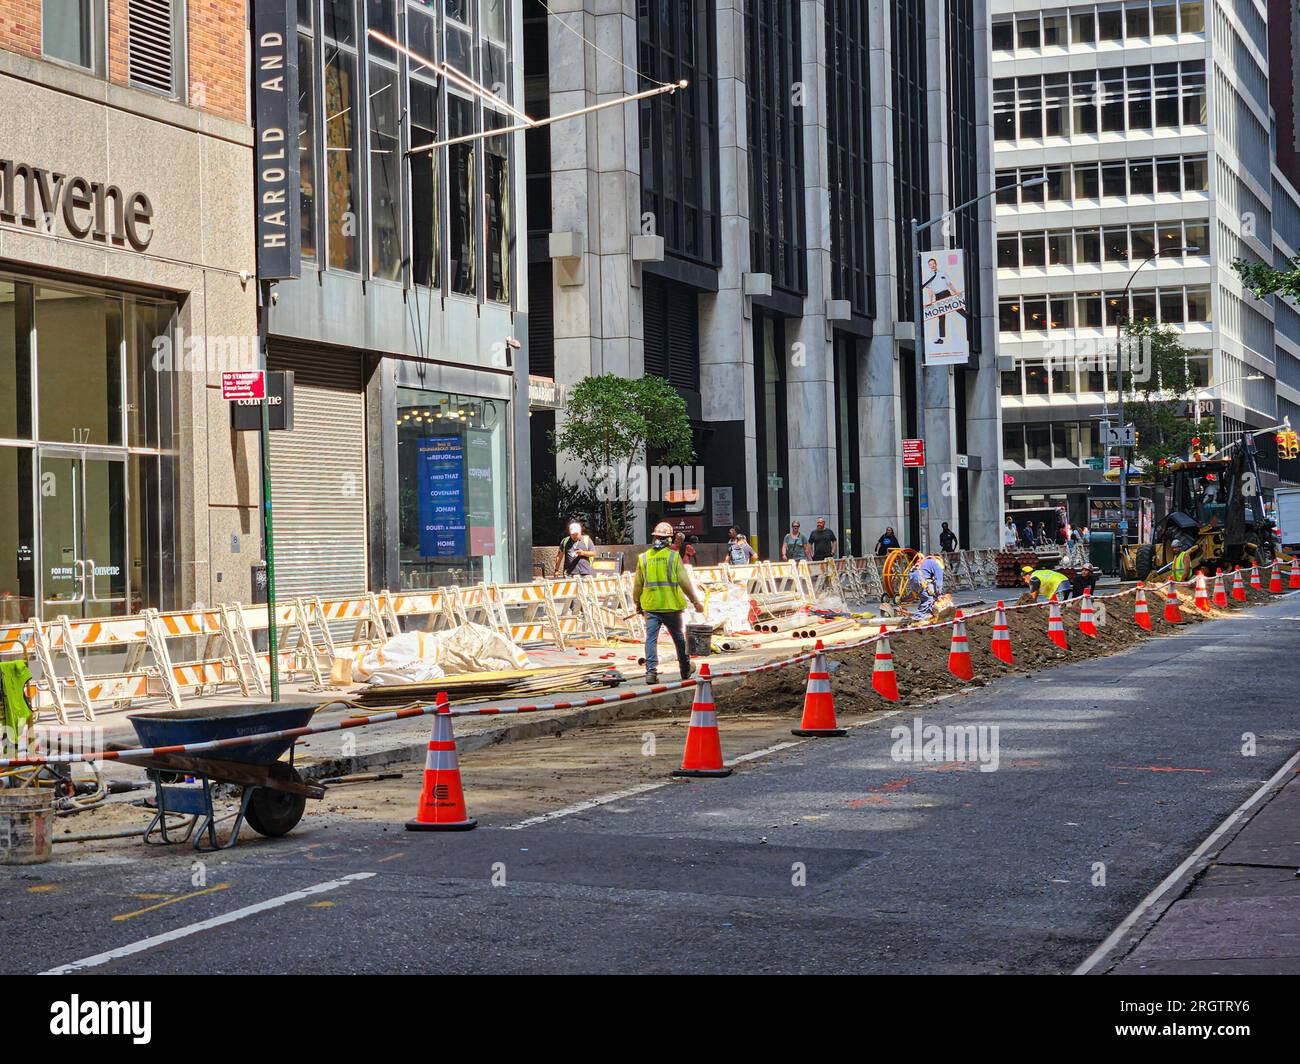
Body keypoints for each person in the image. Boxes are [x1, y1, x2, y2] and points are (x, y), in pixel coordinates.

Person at [633, 521, 705, 684]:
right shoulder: (673, 557)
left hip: (651, 606)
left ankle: (651, 672)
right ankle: (685, 669)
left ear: (654, 538)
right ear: (669, 539)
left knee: (651, 639)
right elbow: (684, 582)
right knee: (679, 638)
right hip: (671, 606)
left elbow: (637, 585)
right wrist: (695, 601)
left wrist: (637, 603)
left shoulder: (643, 558)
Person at [921, 256, 962, 342]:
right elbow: (930, 290)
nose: (932, 266)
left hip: (946, 293)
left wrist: (956, 292)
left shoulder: (942, 273)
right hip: (938, 296)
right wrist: (931, 301)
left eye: (933, 264)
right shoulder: (929, 276)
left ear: (936, 264)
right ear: (929, 266)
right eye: (930, 265)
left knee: (958, 308)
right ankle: (941, 338)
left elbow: (949, 284)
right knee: (941, 317)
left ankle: (967, 320)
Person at [907, 554, 946, 620]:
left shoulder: (925, 561)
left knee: (925, 598)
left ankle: (932, 614)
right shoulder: (937, 565)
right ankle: (917, 618)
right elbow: (939, 582)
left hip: (912, 578)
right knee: (929, 599)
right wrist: (939, 594)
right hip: (920, 579)